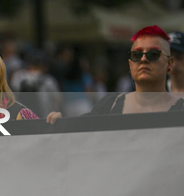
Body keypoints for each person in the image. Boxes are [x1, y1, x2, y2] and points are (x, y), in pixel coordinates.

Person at [47, 25, 183, 123]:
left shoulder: (180, 109)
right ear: (130, 64)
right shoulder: (109, 106)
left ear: (169, 64)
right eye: (136, 54)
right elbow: (82, 134)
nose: (143, 59)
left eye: (153, 54)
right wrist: (60, 123)